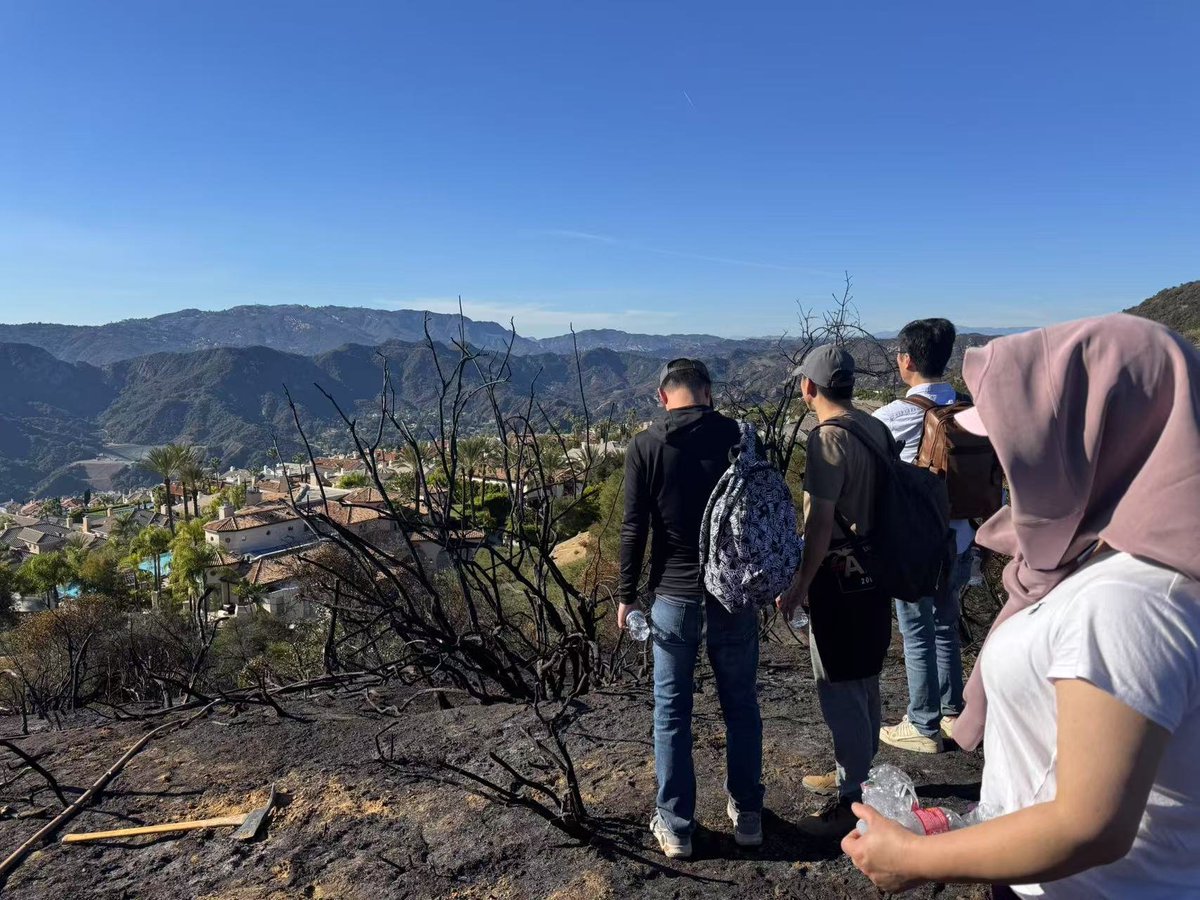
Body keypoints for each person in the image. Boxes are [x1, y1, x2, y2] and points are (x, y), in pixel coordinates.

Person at [843, 314, 1200, 898]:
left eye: (1023, 444)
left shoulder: (1129, 599)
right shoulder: (1111, 559)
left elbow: (1088, 826)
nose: (1007, 463)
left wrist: (913, 858)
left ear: (1094, 441)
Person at [618, 357, 764, 859]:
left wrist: (625, 594)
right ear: (708, 392)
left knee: (672, 711)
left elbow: (634, 528)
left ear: (663, 397)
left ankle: (677, 826)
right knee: (741, 704)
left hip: (674, 595)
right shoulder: (741, 438)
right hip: (733, 593)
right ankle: (748, 814)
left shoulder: (645, 445)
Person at [776, 344, 895, 839]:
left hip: (840, 578)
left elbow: (820, 521)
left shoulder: (825, 440)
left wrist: (801, 584)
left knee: (840, 686)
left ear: (809, 386)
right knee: (865, 677)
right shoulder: (877, 428)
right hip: (877, 574)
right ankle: (861, 775)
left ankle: (854, 801)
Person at [872, 318, 974, 753]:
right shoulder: (970, 411)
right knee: (946, 625)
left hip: (917, 546)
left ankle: (922, 723)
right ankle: (953, 714)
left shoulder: (892, 418)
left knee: (916, 630)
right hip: (964, 537)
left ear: (906, 360)